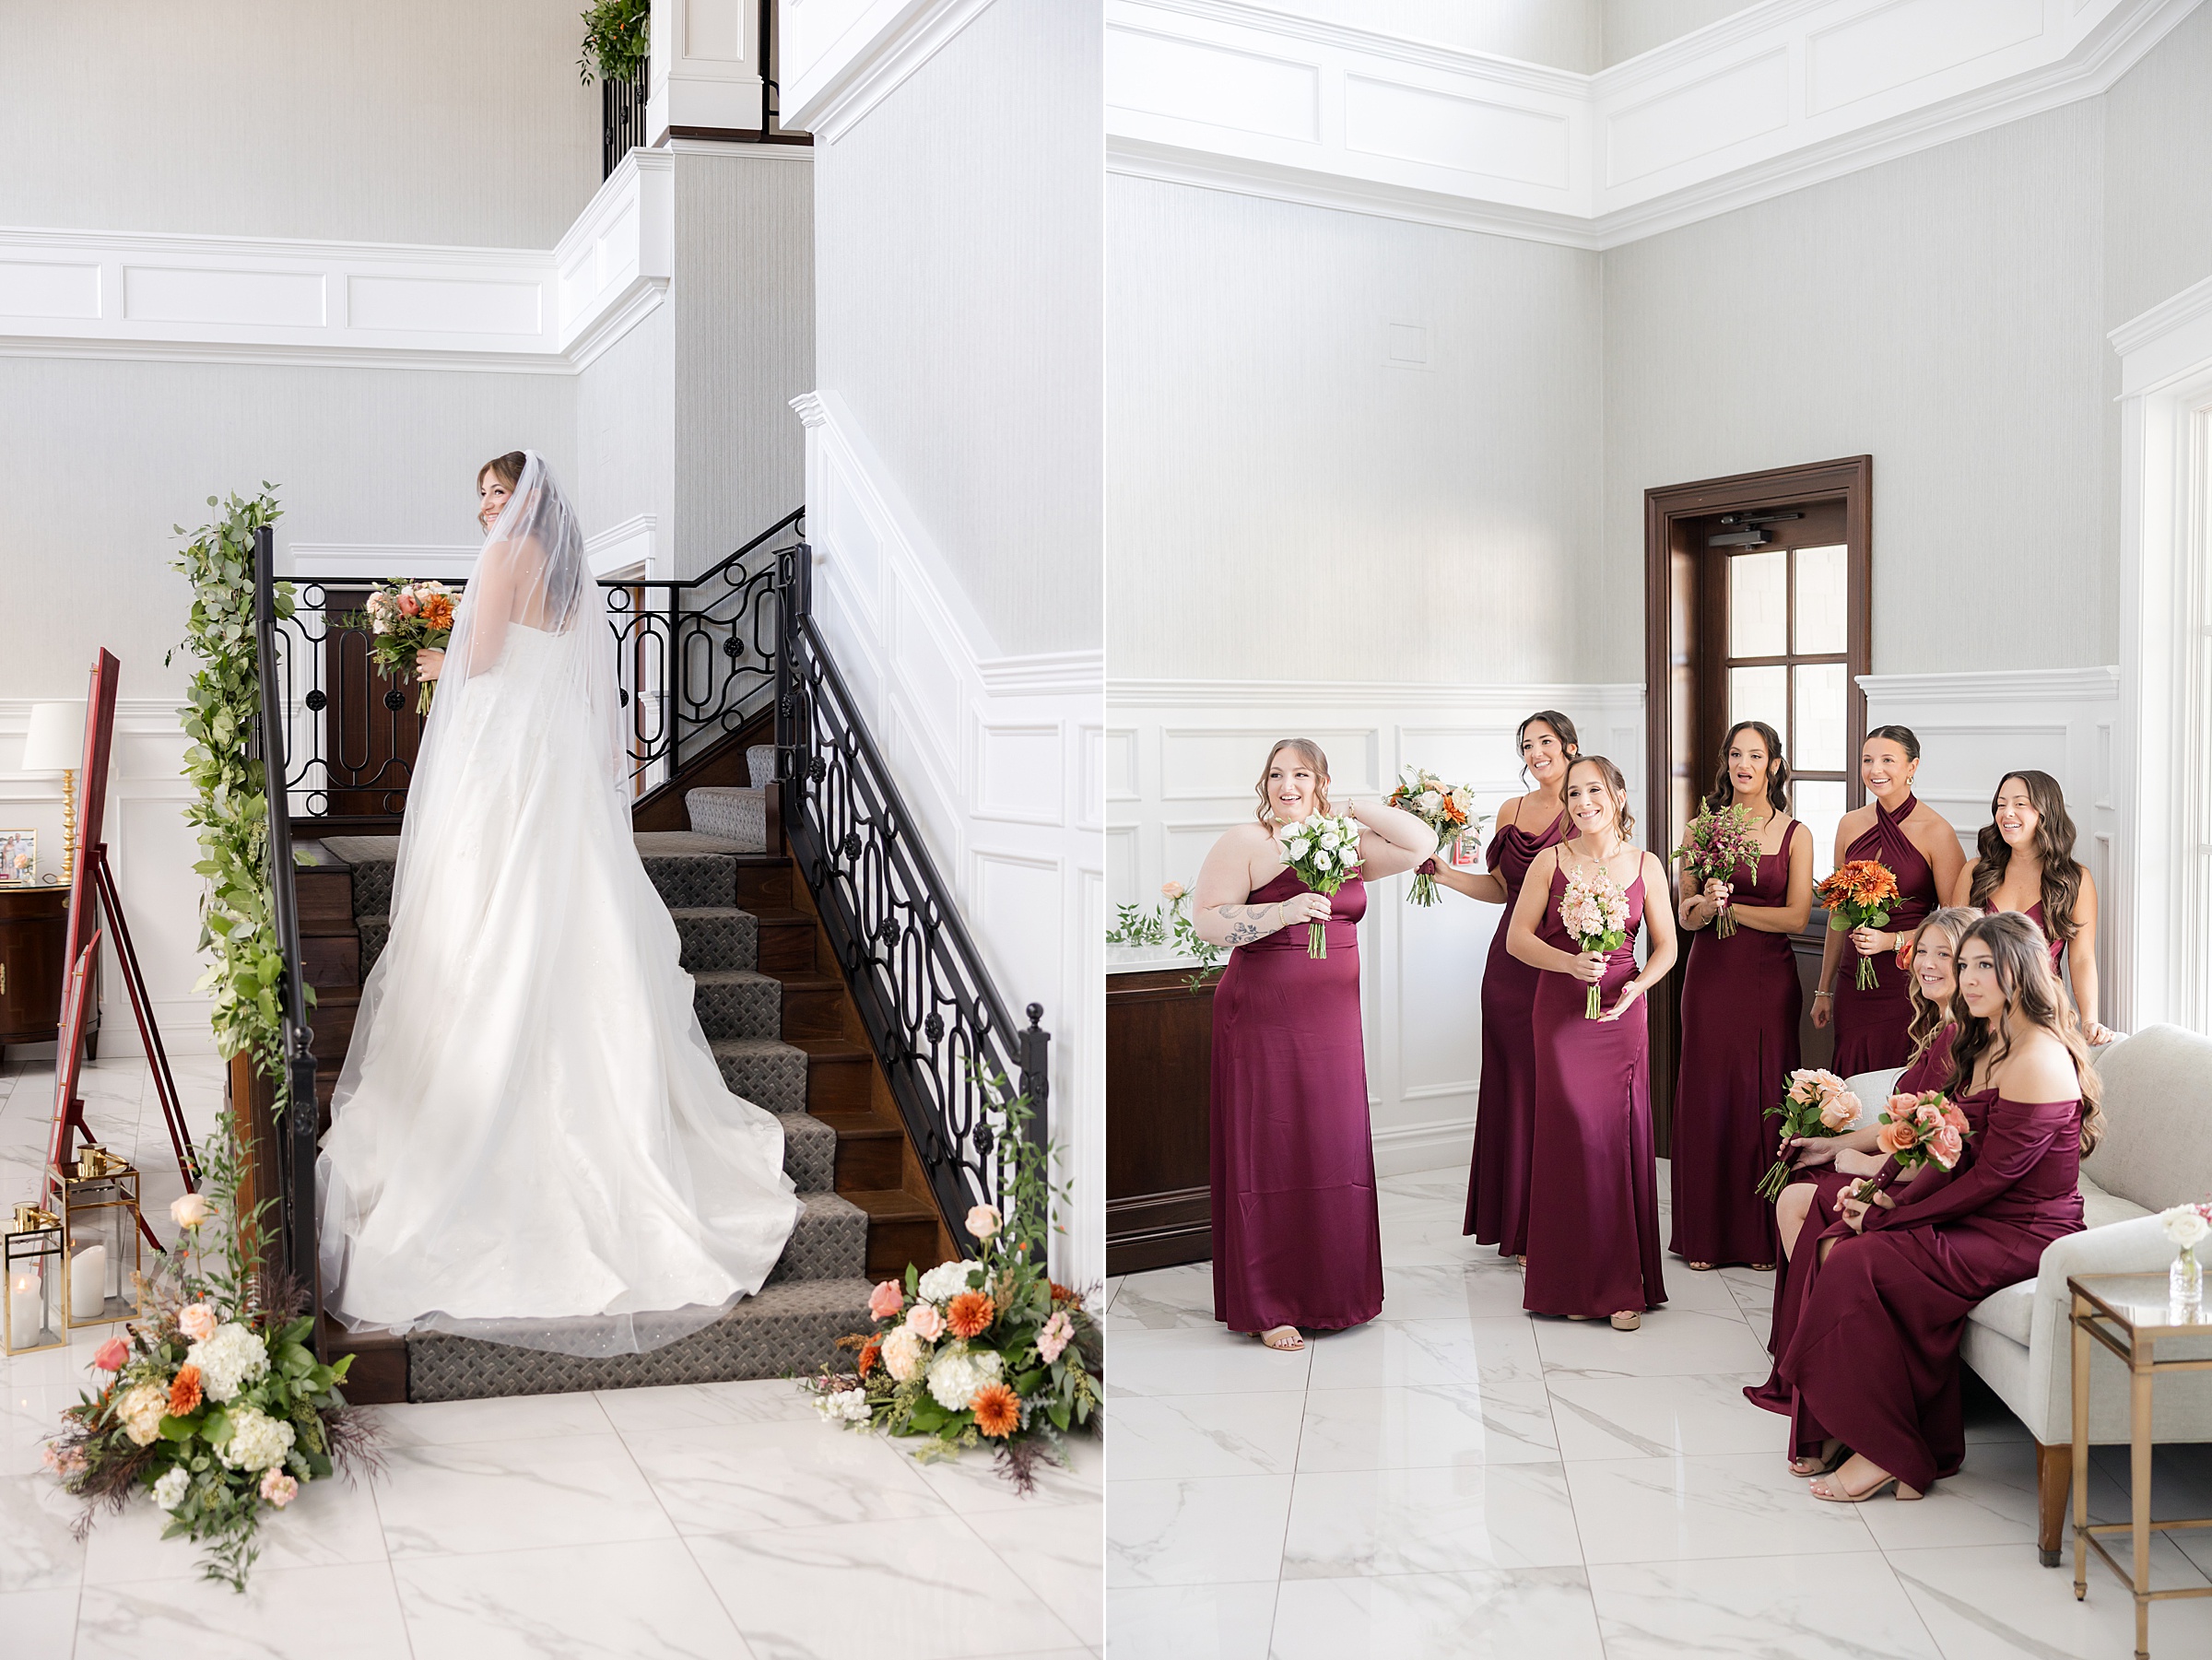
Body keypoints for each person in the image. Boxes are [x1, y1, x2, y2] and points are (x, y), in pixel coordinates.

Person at [318, 452, 800, 1357]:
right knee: (567, 912)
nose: (490, 513)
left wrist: (440, 651)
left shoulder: (503, 560)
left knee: (486, 910)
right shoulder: (571, 574)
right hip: (556, 757)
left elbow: (488, 657)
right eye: (483, 501)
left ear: (524, 500)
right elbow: (555, 664)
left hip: (504, 752)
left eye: (498, 495)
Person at [1780, 911, 2096, 1501]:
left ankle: (1889, 1450)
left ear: (2021, 973)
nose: (1969, 979)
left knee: (1858, 1259)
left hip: (2023, 1232)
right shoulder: (1980, 1039)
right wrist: (1877, 1191)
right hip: (1980, 1214)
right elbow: (1929, 1137)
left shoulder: (2037, 1057)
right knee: (1839, 1244)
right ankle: (1862, 1432)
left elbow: (1989, 1183)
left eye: (1984, 966)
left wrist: (1888, 1215)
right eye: (1966, 965)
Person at [1193, 738, 1432, 1351]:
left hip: (1332, 1022)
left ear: (1321, 780)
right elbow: (1209, 922)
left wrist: (1351, 808)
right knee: (1269, 1144)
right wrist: (1283, 912)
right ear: (1264, 783)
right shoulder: (1247, 841)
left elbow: (1419, 844)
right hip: (1262, 1016)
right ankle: (1270, 1302)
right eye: (1277, 774)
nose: (1287, 785)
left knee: (1332, 1144)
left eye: (1302, 774)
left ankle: (1336, 1291)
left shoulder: (1344, 841)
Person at [1746, 905, 1976, 1443]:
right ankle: (1822, 1369)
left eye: (1946, 954)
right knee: (1795, 1193)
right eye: (1923, 951)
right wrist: (1830, 1146)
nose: (1929, 964)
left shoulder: (1965, 1038)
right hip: (1902, 1164)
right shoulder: (1938, 1027)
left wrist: (1871, 1165)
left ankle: (1830, 1382)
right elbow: (1898, 1125)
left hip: (1924, 1180)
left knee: (1800, 1202)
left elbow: (1949, 1142)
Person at [1512, 756, 1677, 1331]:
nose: (1584, 802)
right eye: (1575, 793)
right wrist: (1567, 962)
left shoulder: (1645, 863)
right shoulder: (1548, 862)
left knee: (1612, 1141)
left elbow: (1666, 948)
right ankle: (1565, 1283)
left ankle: (1620, 1284)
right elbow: (1517, 941)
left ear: (1620, 796)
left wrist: (1637, 988)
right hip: (1560, 1015)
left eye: (1595, 791)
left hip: (1620, 1013)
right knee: (1570, 1138)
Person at [1425, 710, 1578, 1261]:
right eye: (1527, 746)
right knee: (1513, 1084)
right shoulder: (1510, 810)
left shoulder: (1588, 804)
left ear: (1569, 746)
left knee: (1555, 1086)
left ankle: (1555, 1218)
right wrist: (1443, 873)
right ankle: (1514, 1224)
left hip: (1563, 958)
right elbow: (1499, 889)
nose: (1536, 754)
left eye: (1545, 743)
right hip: (1508, 965)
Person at [1669, 720, 1812, 1273]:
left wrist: (1732, 910)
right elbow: (1686, 917)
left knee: (1764, 1095)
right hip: (1710, 978)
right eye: (1735, 754)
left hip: (1769, 981)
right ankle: (1704, 1235)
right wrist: (1706, 902)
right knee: (1709, 1095)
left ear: (1774, 764)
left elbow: (1797, 917)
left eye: (1756, 755)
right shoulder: (1700, 828)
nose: (1744, 764)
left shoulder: (1796, 833)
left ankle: (1760, 1236)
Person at [1812, 726, 1964, 1073]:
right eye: (1867, 760)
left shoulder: (1937, 831)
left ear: (1912, 767)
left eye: (1887, 760)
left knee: (1901, 1072)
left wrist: (1891, 941)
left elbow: (1955, 927)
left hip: (1909, 980)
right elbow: (1839, 914)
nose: (1875, 770)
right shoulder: (1849, 824)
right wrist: (1824, 989)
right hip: (1855, 983)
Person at [1950, 770, 2113, 1044]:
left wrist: (2089, 1020)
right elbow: (1952, 946)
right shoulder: (1975, 872)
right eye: (2001, 805)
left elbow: (2082, 957)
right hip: (1975, 1014)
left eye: (2019, 804)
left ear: (2045, 812)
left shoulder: (2075, 880)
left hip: (2041, 1016)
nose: (2007, 813)